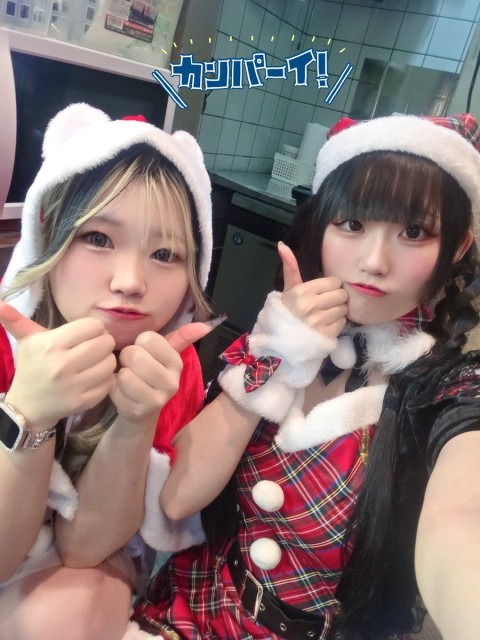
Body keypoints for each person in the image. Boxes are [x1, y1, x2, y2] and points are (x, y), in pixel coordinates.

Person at [128, 113, 480, 640]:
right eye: (352, 224)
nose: (374, 261)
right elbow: (175, 501)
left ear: (456, 247)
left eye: (413, 232)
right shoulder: (277, 334)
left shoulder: (447, 390)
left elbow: (462, 518)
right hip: (194, 608)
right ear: (321, 227)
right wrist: (276, 355)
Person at [0, 102, 217, 640]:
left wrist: (136, 419)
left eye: (165, 254)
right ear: (49, 234)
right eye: (98, 239)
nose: (130, 282)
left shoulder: (170, 368)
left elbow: (86, 548)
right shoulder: (5, 344)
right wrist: (30, 414)